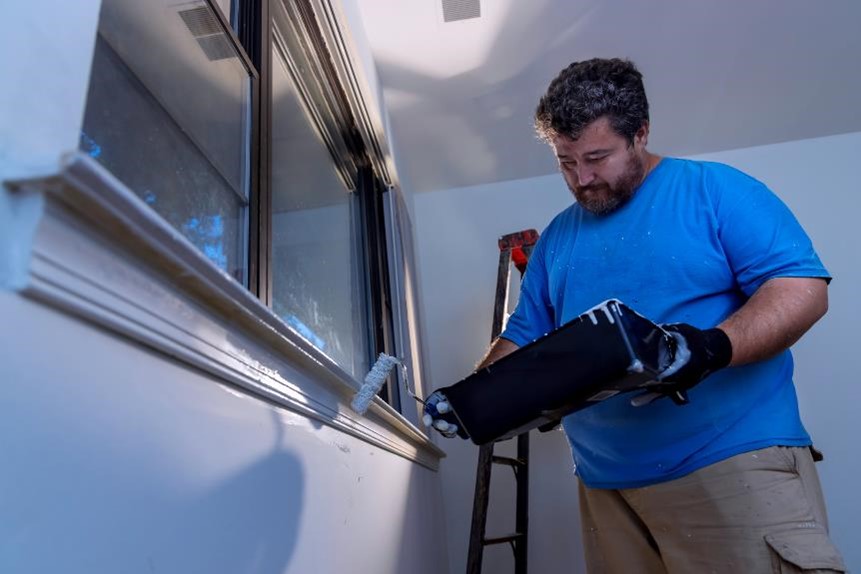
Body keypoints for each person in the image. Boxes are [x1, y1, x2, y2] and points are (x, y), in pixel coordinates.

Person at [425, 58, 846, 572]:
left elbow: (801, 289)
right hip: (607, 489)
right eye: (566, 162)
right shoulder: (558, 237)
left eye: (597, 157)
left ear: (640, 134)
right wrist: (472, 397)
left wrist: (707, 348)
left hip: (730, 465)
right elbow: (524, 334)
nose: (582, 179)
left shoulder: (715, 191)